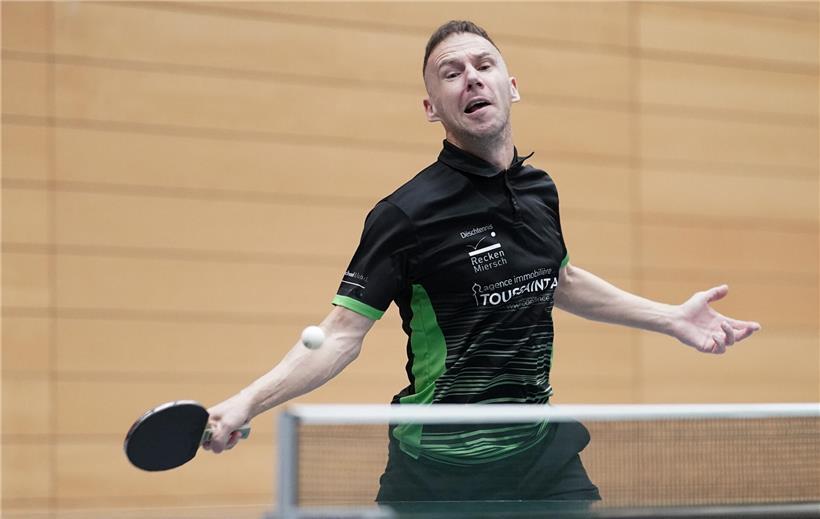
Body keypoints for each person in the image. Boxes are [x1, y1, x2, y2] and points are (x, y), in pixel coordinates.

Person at [202, 20, 761, 502]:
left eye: (483, 65)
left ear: (510, 87)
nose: (470, 76)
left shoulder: (540, 190)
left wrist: (670, 317)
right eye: (451, 73)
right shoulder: (405, 214)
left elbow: (557, 279)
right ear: (431, 107)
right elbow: (342, 334)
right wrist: (248, 402)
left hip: (539, 454)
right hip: (436, 468)